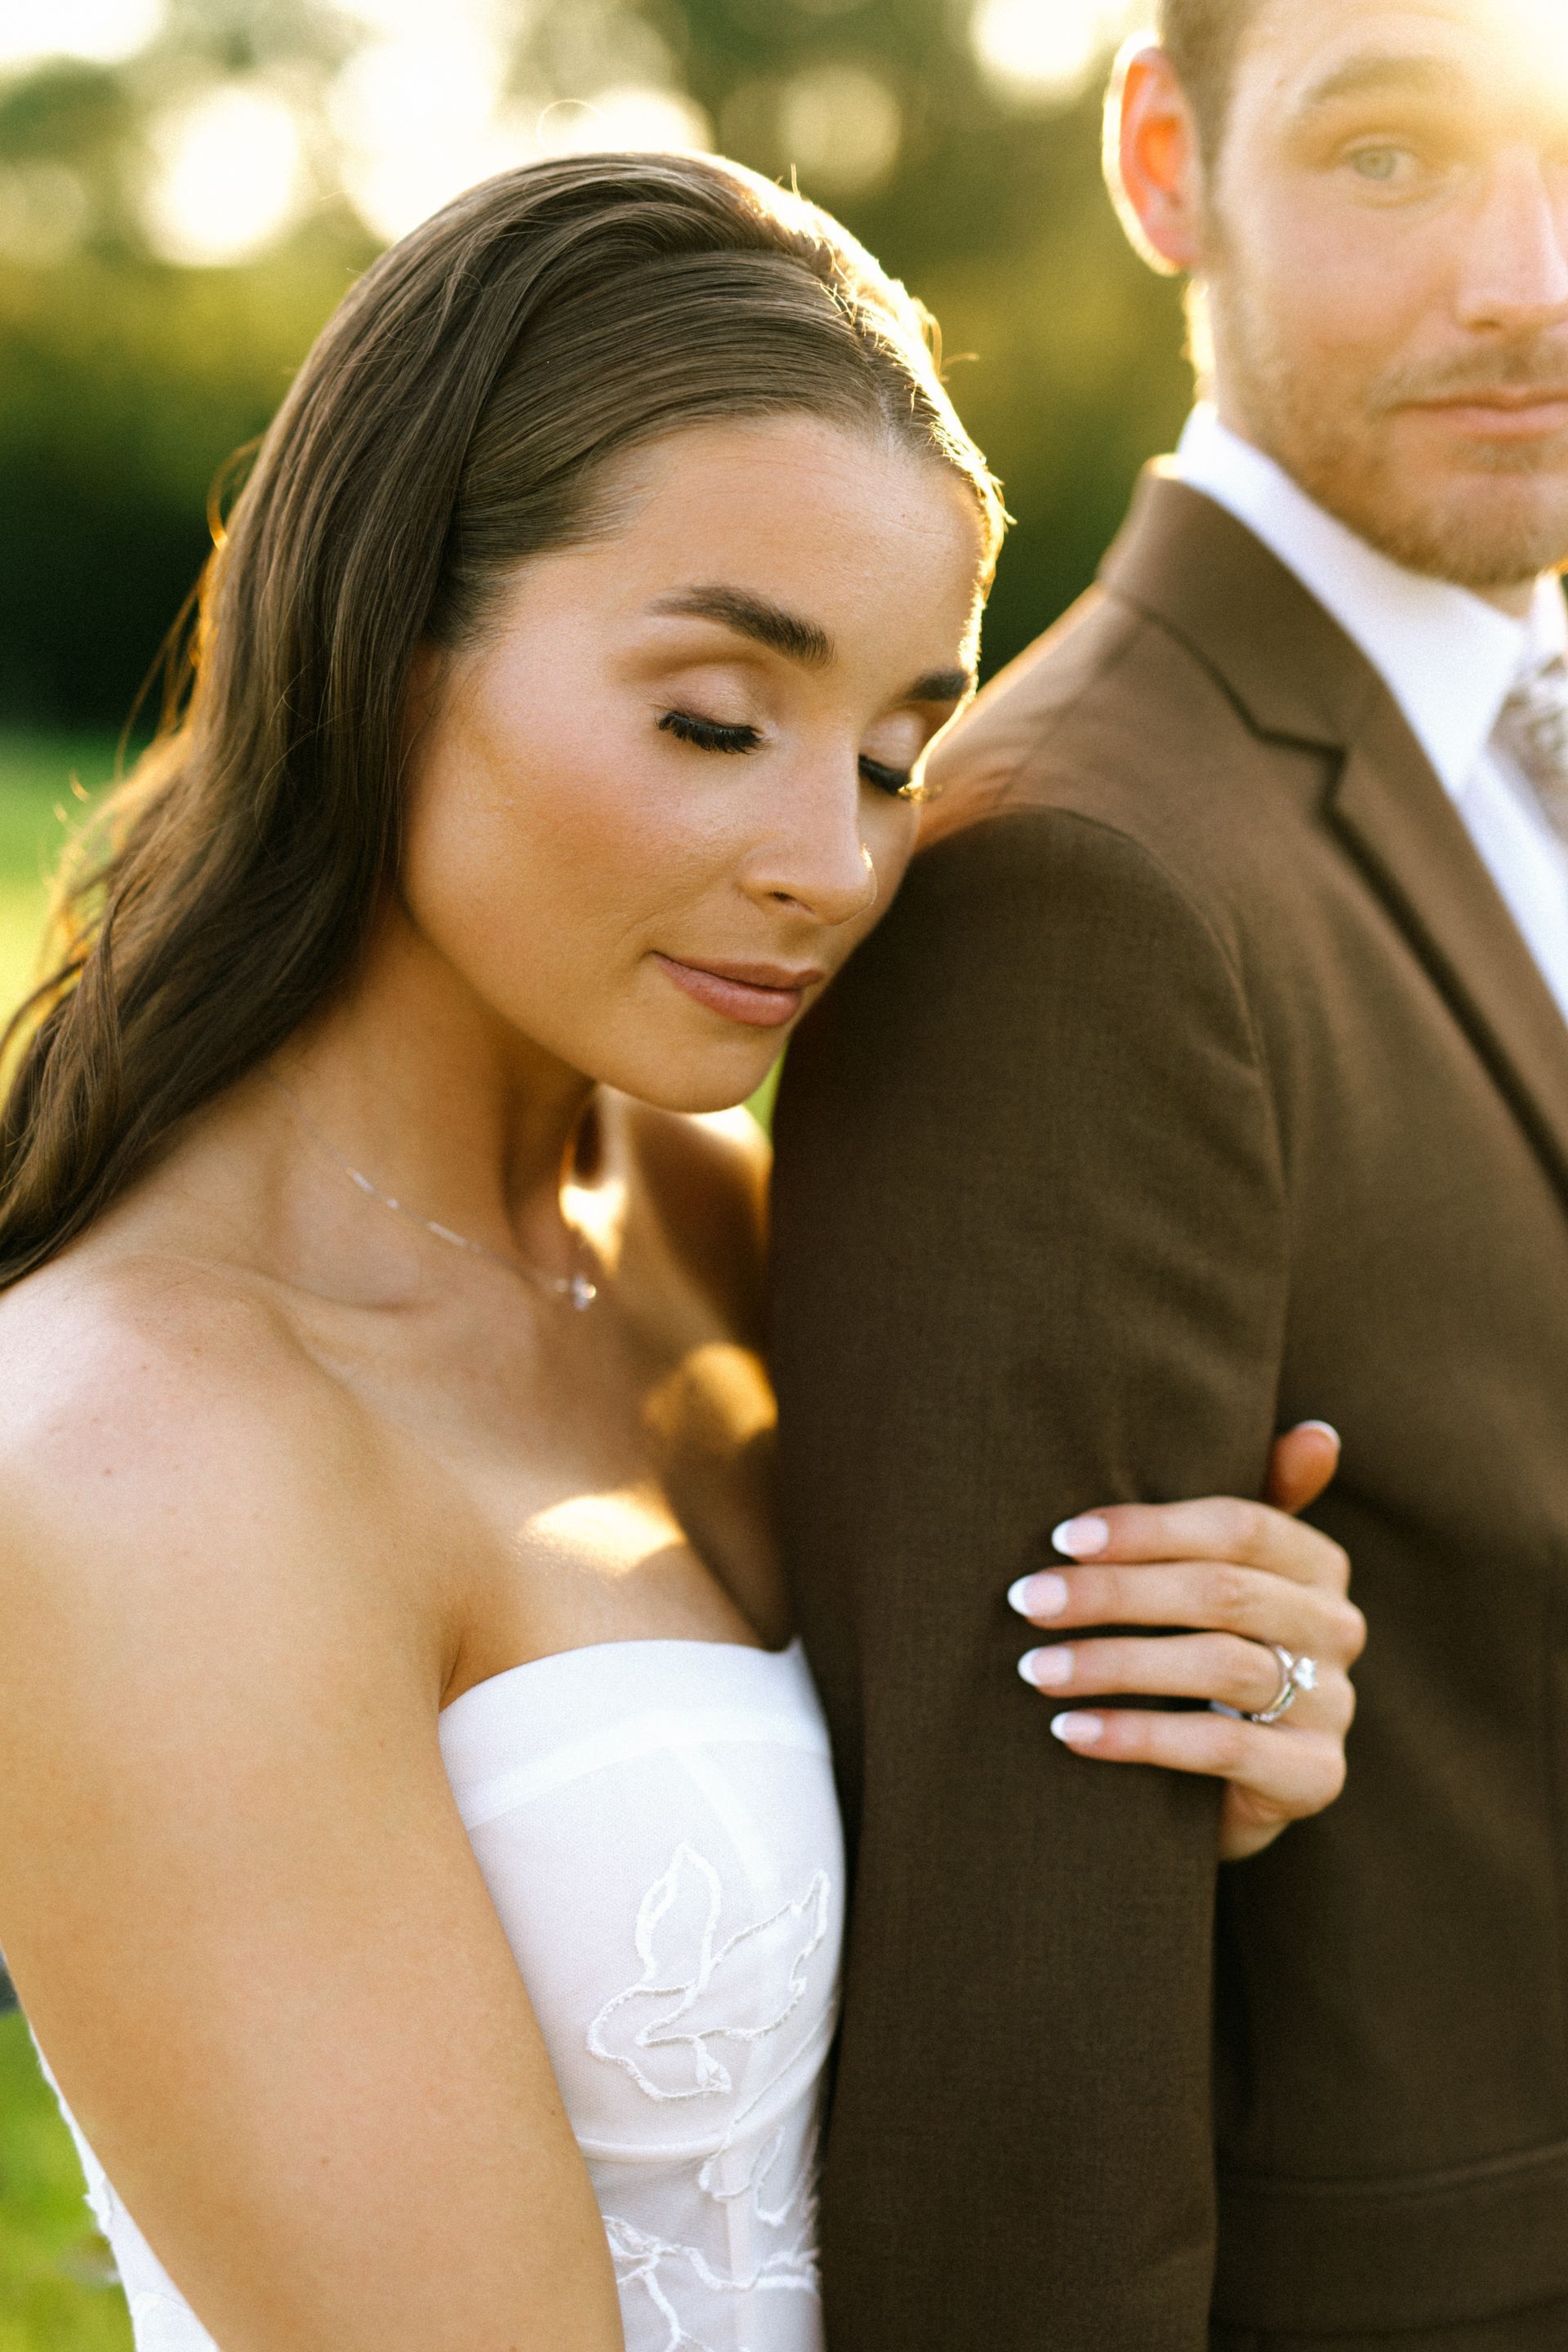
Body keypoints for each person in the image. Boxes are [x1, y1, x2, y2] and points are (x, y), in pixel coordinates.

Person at [0, 153, 1358, 2352]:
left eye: (905, 752)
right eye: (717, 720)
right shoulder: (136, 1455)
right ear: (375, 640)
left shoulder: (748, 1244)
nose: (833, 861)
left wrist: (1214, 1730)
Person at [768, 0, 1568, 2346]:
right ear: (1161, 160)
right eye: (1393, 159)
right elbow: (1029, 2037)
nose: (1528, 275)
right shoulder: (1083, 883)